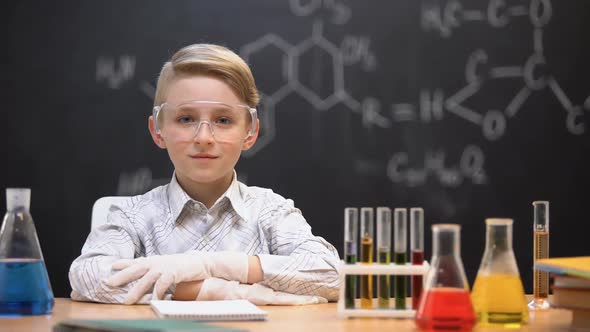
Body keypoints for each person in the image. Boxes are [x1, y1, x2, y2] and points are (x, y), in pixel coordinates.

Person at [68, 44, 340, 305]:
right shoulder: (133, 216)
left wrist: (209, 264)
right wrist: (217, 291)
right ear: (157, 130)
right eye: (186, 119)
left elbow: (332, 274)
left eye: (223, 120)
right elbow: (88, 275)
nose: (204, 137)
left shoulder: (270, 211)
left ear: (251, 132)